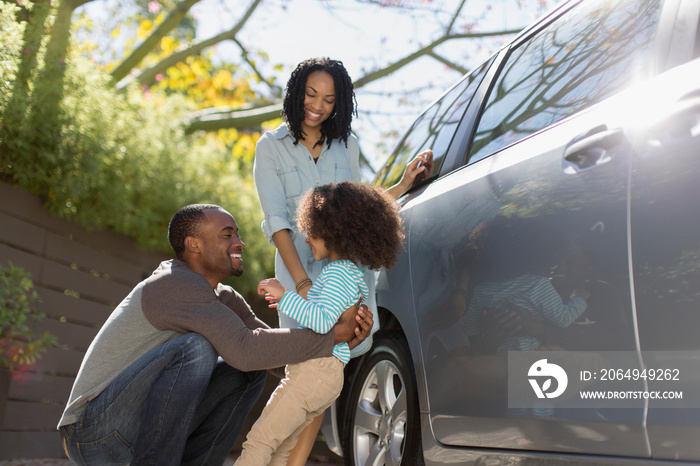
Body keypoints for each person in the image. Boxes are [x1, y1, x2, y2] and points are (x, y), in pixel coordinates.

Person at [57, 203, 374, 465]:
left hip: (135, 430)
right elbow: (245, 348)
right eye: (227, 234)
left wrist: (339, 345)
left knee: (246, 373)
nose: (240, 242)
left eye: (237, 234)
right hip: (93, 433)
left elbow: (268, 354)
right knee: (195, 349)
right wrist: (333, 335)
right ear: (193, 244)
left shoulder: (224, 298)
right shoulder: (172, 284)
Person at [253, 56, 431, 464]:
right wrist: (300, 284)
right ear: (296, 93)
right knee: (301, 372)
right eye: (311, 94)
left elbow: (358, 211)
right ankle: (277, 457)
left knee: (328, 371)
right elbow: (277, 221)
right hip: (299, 270)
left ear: (341, 103)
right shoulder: (270, 147)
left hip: (346, 279)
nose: (318, 106)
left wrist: (403, 184)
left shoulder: (346, 145)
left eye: (330, 99)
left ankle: (293, 462)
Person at [235, 181, 405, 466]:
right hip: (323, 373)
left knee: (260, 440)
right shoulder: (346, 273)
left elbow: (323, 321)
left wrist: (285, 295)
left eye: (312, 232)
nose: (306, 239)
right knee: (281, 447)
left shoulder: (338, 274)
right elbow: (321, 310)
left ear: (333, 231)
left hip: (316, 369)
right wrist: (288, 301)